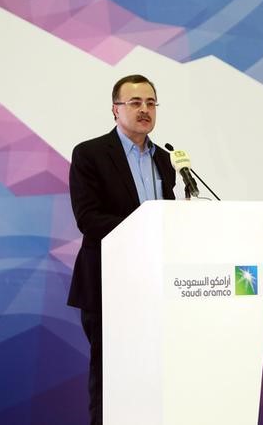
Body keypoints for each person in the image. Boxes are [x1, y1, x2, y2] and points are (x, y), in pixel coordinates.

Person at [67, 74, 176, 424]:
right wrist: (146, 229)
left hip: (157, 286)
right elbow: (89, 219)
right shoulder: (90, 154)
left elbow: (169, 216)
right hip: (108, 285)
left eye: (150, 103)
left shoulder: (165, 159)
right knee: (111, 381)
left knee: (154, 377)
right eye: (135, 103)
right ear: (115, 110)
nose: (144, 110)